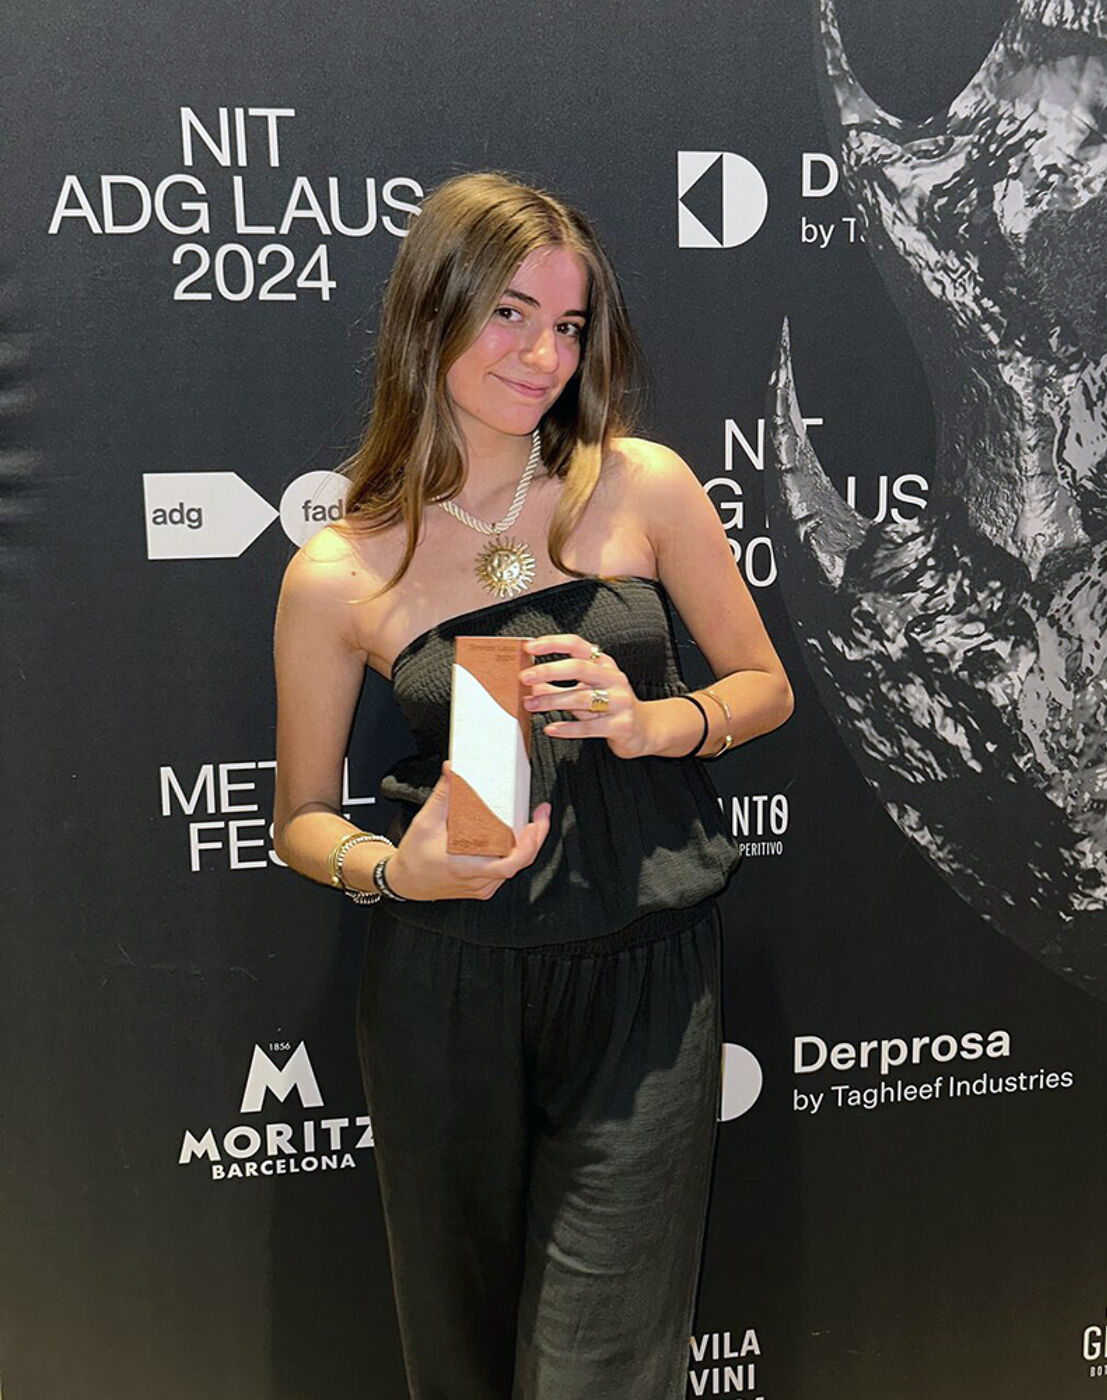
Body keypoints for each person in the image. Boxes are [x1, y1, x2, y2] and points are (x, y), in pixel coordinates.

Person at [271, 171, 793, 1400]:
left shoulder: (642, 483)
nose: (543, 354)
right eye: (509, 314)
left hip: (642, 979)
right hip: (443, 989)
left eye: (568, 326)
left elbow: (763, 684)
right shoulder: (338, 568)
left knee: (595, 1372)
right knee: (458, 1358)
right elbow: (299, 816)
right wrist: (394, 865)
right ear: (432, 313)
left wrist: (656, 720)